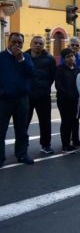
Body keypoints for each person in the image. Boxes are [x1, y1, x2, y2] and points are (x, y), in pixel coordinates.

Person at [0, 32, 35, 166]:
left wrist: (21, 60)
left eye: (19, 42)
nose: (16, 45)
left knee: (21, 130)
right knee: (1, 130)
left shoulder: (26, 57)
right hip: (4, 100)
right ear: (8, 42)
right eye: (14, 42)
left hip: (22, 99)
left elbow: (31, 73)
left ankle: (22, 154)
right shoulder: (1, 57)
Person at [26, 35, 56, 155]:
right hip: (27, 95)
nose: (38, 45)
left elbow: (53, 75)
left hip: (43, 95)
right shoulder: (24, 57)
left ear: (43, 45)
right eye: (36, 43)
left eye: (40, 43)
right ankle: (22, 145)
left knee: (45, 122)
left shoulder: (49, 59)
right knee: (23, 122)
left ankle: (45, 145)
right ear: (31, 44)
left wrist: (46, 86)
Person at [55, 48, 80, 153]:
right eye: (68, 56)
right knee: (66, 121)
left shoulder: (77, 69)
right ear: (64, 59)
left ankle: (75, 140)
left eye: (72, 55)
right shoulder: (60, 69)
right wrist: (66, 94)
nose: (71, 58)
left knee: (75, 121)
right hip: (64, 100)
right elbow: (58, 85)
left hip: (76, 100)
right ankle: (65, 144)